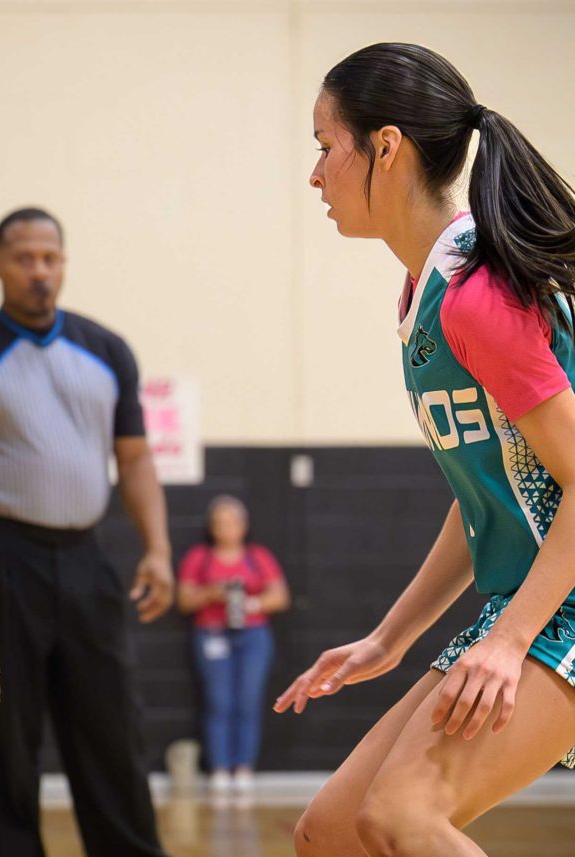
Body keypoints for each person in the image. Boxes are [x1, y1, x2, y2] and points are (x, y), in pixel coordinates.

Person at [275, 43, 575, 857]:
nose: (315, 175)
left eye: (322, 146)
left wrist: (508, 640)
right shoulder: (429, 288)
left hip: (556, 606)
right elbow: (488, 489)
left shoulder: (478, 296)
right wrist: (390, 637)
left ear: (385, 146)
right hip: (522, 601)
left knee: (402, 818)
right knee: (329, 832)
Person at [0, 207, 173, 857]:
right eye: (24, 258)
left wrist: (160, 550)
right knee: (4, 734)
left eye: (49, 258)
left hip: (88, 558)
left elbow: (136, 458)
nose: (38, 270)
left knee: (112, 730)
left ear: (63, 263)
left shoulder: (106, 349)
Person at [176, 495, 289, 794]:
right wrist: (212, 594)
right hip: (212, 634)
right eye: (220, 522)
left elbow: (280, 596)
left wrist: (251, 604)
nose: (227, 528)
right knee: (218, 701)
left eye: (232, 522)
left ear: (244, 525)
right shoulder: (199, 557)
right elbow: (184, 600)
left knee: (248, 700)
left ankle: (243, 767)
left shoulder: (258, 556)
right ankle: (219, 768)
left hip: (252, 636)